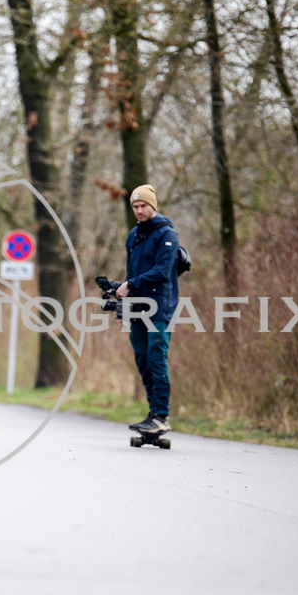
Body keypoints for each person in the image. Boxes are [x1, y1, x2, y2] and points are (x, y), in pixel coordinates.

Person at [115, 185, 179, 434]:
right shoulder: (133, 235)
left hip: (160, 307)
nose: (139, 210)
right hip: (137, 307)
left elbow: (162, 272)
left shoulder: (167, 234)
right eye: (135, 206)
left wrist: (130, 284)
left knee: (156, 357)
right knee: (142, 359)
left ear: (153, 205)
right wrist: (123, 310)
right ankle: (153, 414)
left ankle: (162, 415)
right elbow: (131, 274)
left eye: (143, 206)